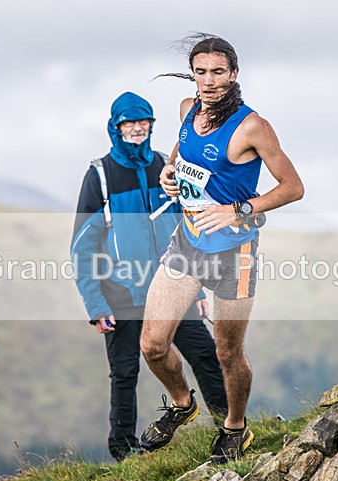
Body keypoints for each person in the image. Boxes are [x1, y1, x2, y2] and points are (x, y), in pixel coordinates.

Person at [138, 35, 304, 463]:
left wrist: (239, 209)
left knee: (227, 351)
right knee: (153, 345)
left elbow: (293, 188)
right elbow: (181, 153)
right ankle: (182, 404)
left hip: (235, 253)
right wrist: (169, 173)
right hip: (188, 241)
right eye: (201, 72)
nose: (209, 81)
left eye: (218, 72)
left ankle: (235, 428)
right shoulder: (187, 110)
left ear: (233, 74)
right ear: (193, 75)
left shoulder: (253, 126)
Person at [70, 91, 228, 462]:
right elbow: (81, 246)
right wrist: (96, 303)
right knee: (124, 373)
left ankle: (228, 426)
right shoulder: (100, 175)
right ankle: (124, 453)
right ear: (116, 127)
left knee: (205, 355)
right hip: (120, 293)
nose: (138, 128)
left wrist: (199, 287)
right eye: (130, 122)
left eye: (144, 121)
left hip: (173, 287)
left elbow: (189, 229)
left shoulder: (165, 167)